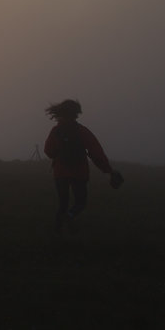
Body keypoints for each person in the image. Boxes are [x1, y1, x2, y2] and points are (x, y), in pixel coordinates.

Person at [43, 99, 118, 234]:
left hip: (60, 173)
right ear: (76, 114)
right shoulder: (82, 131)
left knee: (62, 204)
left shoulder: (56, 131)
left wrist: (59, 153)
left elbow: (48, 151)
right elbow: (96, 153)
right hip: (79, 173)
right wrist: (108, 170)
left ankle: (57, 233)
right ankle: (70, 217)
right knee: (80, 203)